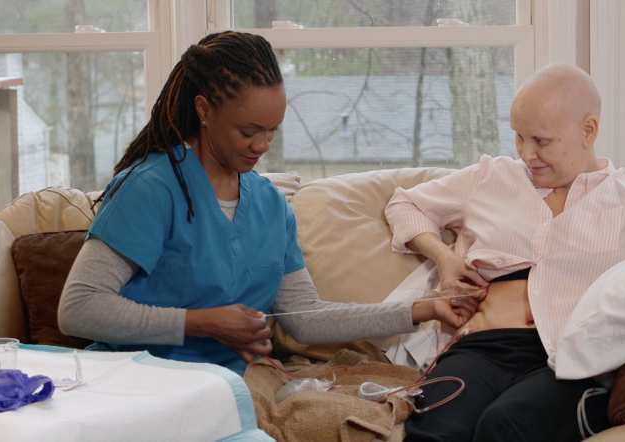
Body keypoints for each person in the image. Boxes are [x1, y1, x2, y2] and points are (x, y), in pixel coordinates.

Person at [58, 31, 479, 377]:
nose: (262, 145)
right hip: (135, 377)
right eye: (248, 131)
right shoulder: (150, 188)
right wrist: (203, 323)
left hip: (227, 386)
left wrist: (421, 309)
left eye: (273, 131)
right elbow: (78, 309)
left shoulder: (269, 205)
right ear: (203, 109)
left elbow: (303, 316)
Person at [386, 62, 625, 442]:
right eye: (519, 137)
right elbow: (405, 205)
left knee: (506, 425)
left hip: (572, 359)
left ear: (588, 130)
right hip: (481, 348)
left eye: (541, 141)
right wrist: (445, 257)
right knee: (438, 429)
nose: (526, 154)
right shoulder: (490, 176)